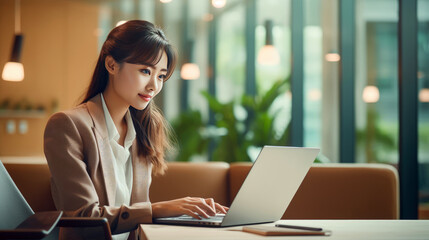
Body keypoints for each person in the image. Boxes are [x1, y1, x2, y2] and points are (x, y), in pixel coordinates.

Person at [44, 20, 228, 240]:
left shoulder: (145, 129)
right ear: (111, 65)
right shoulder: (68, 125)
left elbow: (135, 219)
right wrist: (160, 209)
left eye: (160, 75)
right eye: (145, 71)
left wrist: (186, 213)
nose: (154, 86)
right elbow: (84, 218)